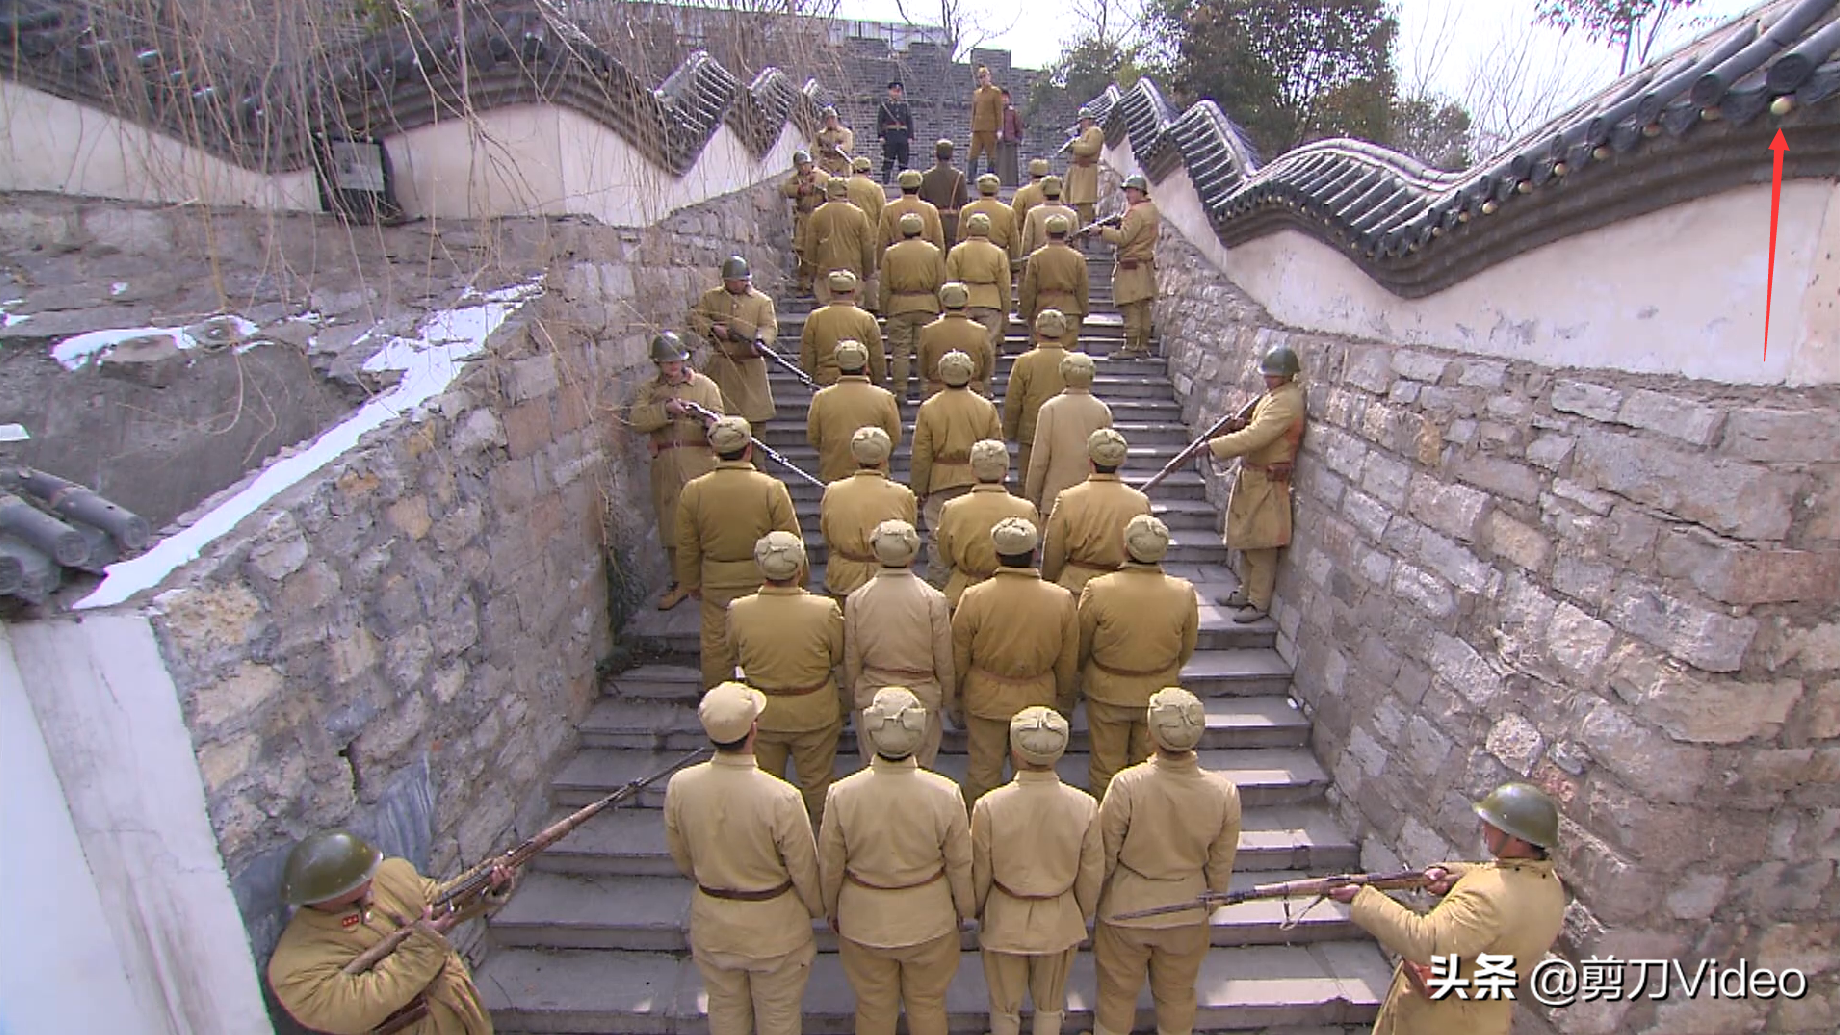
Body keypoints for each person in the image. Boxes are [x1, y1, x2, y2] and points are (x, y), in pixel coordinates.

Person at [1327, 782, 1568, 1035]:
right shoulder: (1549, 885)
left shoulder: (1487, 898)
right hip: (1486, 1012)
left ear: (1517, 838)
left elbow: (1424, 941)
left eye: (1493, 825)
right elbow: (1501, 877)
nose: (1484, 829)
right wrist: (1454, 874)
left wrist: (1362, 898)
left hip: (1443, 1019)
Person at [664, 681, 825, 1035]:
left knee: (725, 1016)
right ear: (754, 728)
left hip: (714, 920)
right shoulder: (781, 797)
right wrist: (817, 908)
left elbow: (681, 855)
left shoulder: (681, 786)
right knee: (779, 1020)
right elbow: (804, 867)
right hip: (774, 927)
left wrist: (711, 877)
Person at [819, 687, 975, 1035]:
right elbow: (960, 864)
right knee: (929, 1005)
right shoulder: (945, 793)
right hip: (930, 919)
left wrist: (832, 908)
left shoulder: (842, 794)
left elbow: (831, 864)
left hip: (864, 919)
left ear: (871, 733)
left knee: (873, 1009)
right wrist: (966, 908)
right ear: (920, 734)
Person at [1091, 688, 1241, 1035]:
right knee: (1177, 998)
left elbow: (1105, 852)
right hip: (1187, 907)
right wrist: (1209, 903)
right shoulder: (1223, 794)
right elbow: (1220, 865)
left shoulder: (1127, 785)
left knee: (1115, 996)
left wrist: (1098, 897)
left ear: (1150, 733)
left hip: (1127, 906)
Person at [267, 830, 513, 1035]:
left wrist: (483, 883)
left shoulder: (389, 876)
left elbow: (435, 901)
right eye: (361, 879)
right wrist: (423, 945)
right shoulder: (294, 969)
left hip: (460, 1010)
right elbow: (359, 1006)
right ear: (331, 893)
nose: (372, 880)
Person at [971, 707, 1103, 1035]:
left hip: (1005, 913)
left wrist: (978, 909)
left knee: (1003, 1008)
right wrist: (1079, 912)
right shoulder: (1084, 805)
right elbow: (1091, 873)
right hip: (1058, 914)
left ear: (1014, 750)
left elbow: (980, 871)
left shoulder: (989, 805)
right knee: (1050, 1006)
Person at [949, 517, 1079, 809]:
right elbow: (1068, 660)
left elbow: (958, 654)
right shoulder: (1061, 599)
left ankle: (979, 836)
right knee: (1033, 778)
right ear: (1035, 553)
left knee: (983, 774)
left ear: (997, 554)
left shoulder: (974, 598)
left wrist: (956, 692)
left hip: (985, 698)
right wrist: (1062, 696)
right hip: (1038, 697)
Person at [727, 532, 845, 827]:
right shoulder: (824, 610)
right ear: (800, 567)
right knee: (818, 787)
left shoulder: (739, 610)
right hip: (814, 709)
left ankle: (770, 848)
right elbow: (838, 654)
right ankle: (823, 850)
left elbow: (733, 651)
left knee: (766, 789)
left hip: (763, 713)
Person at [1076, 516, 1198, 798]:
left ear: (1125, 547)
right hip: (1157, 689)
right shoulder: (1183, 593)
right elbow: (1186, 647)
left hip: (1107, 689)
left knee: (1105, 768)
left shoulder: (1099, 589)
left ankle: (1107, 828)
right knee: (1148, 769)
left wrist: (1086, 672)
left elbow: (1081, 644)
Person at [676, 417, 802, 688]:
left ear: (714, 451)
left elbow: (686, 546)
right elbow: (791, 538)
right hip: (764, 579)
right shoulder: (770, 488)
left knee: (717, 649)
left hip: (716, 581)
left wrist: (690, 583)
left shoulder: (694, 492)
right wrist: (798, 580)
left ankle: (721, 708)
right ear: (748, 449)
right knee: (767, 642)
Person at [1204, 344, 1306, 624]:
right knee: (1248, 540)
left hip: (1268, 479)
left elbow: (1258, 436)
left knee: (1262, 543)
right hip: (1254, 475)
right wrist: (1239, 424)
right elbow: (1254, 427)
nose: (1267, 378)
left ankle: (1257, 601)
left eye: (1272, 374)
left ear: (1285, 375)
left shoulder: (1287, 401)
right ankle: (1245, 591)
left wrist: (1214, 446)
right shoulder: (1275, 396)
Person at [843, 519, 954, 768]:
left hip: (873, 698)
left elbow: (852, 658)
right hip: (921, 699)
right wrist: (945, 697)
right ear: (914, 552)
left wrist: (853, 697)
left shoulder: (856, 599)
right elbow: (944, 658)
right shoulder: (933, 599)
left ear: (875, 552)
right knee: (920, 777)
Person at [629, 332, 726, 611]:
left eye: (676, 362)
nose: (673, 367)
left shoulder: (705, 386)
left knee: (706, 519)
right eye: (667, 363)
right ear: (658, 364)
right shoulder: (648, 391)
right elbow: (636, 420)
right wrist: (665, 410)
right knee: (671, 525)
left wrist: (705, 419)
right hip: (667, 462)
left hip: (699, 457)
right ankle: (681, 580)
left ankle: (711, 576)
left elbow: (720, 419)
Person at [910, 351, 1002, 585]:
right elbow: (996, 446)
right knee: (978, 533)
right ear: (970, 373)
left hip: (941, 479)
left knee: (939, 536)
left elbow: (921, 453)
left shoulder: (929, 408)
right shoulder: (985, 407)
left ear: (941, 374)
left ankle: (941, 587)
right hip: (978, 477)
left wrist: (919, 487)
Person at [1040, 429, 1152, 595]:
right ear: (1121, 461)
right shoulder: (1140, 502)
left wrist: (1049, 583)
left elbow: (1053, 552)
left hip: (1075, 588)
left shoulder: (1068, 499)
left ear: (1090, 460)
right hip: (1121, 590)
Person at [688, 257, 777, 453]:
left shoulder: (762, 302)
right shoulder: (712, 298)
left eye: (739, 281)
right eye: (731, 281)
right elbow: (695, 316)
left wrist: (760, 341)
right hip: (722, 365)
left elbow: (768, 326)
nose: (735, 284)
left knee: (755, 426)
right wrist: (713, 328)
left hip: (751, 368)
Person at [935, 439, 1036, 609]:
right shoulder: (1026, 510)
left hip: (963, 592)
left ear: (972, 470)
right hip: (1014, 598)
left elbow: (945, 554)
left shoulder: (952, 508)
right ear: (1005, 471)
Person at [820, 428, 917, 599]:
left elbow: (828, 534)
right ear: (885, 456)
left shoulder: (834, 491)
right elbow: (908, 537)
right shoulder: (903, 495)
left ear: (855, 456)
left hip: (844, 576)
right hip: (888, 579)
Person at [1024, 352, 1112, 517]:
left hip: (1054, 499)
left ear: (1063, 375)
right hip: (1091, 501)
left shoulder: (1049, 409)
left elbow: (1039, 460)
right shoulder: (1102, 411)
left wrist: (1031, 496)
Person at [807, 340, 901, 483]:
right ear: (866, 366)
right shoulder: (884, 397)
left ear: (838, 366)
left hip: (834, 472)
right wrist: (874, 455)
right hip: (876, 473)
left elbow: (814, 437)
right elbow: (894, 437)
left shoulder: (821, 398)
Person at [1090, 174, 1159, 358]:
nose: (1127, 195)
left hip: (1131, 266)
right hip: (1145, 266)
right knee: (1143, 308)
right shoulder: (1151, 209)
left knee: (1131, 308)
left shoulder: (1135, 213)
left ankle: (1130, 347)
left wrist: (1102, 231)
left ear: (1139, 191)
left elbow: (1123, 238)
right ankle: (1142, 346)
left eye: (1130, 191)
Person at [880, 212, 947, 401]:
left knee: (900, 351)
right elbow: (940, 281)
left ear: (901, 230)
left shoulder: (891, 253)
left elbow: (884, 285)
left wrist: (885, 309)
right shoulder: (933, 252)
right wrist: (940, 305)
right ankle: (926, 388)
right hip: (927, 305)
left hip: (898, 305)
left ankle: (900, 390)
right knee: (925, 350)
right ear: (921, 229)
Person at [1002, 310, 1072, 481]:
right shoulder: (1072, 362)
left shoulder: (1025, 361)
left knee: (1028, 481)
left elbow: (1013, 401)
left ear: (1037, 331)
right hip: (1063, 433)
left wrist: (1008, 431)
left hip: (1030, 432)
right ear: (1063, 331)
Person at [800, 271, 886, 387]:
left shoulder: (815, 318)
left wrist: (808, 376)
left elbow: (807, 354)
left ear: (830, 291)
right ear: (854, 291)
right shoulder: (866, 319)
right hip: (860, 380)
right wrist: (878, 379)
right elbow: (877, 356)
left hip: (825, 379)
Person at [803, 177, 878, 309]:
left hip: (825, 274)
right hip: (853, 273)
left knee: (826, 313)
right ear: (845, 192)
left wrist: (812, 273)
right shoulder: (858, 214)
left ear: (828, 193)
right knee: (853, 312)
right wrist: (867, 272)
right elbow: (867, 247)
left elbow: (810, 248)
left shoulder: (817, 214)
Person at [946, 212, 1011, 359]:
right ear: (988, 229)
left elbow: (951, 282)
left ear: (968, 228)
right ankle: (985, 380)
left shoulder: (956, 252)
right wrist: (1005, 312)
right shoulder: (998, 253)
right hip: (991, 303)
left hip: (963, 302)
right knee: (988, 347)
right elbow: (1005, 287)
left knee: (963, 346)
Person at [917, 283, 994, 399]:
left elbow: (922, 366)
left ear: (942, 303)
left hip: (937, 392)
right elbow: (988, 365)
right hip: (973, 391)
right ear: (967, 303)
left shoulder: (928, 331)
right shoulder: (980, 331)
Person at [1018, 215, 1087, 344]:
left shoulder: (1036, 257)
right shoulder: (1077, 258)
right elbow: (1082, 288)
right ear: (1066, 233)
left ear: (1046, 232)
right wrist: (1084, 310)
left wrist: (1026, 311)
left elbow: (1030, 288)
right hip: (1069, 309)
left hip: (1042, 309)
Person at [780, 151, 830, 293]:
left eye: (806, 165)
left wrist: (819, 190)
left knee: (820, 248)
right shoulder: (795, 180)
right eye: (800, 166)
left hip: (819, 215)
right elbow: (785, 189)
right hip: (803, 217)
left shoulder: (823, 176)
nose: (804, 168)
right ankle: (805, 282)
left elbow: (831, 191)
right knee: (801, 249)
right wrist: (800, 190)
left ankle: (821, 282)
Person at [1065, 107, 1106, 239]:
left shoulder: (1095, 132)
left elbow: (1090, 148)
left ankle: (1089, 229)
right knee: (1074, 200)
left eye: (1084, 120)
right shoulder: (1083, 134)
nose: (1082, 123)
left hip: (1087, 170)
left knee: (1085, 202)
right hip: (1078, 170)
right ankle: (1081, 229)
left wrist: (1074, 146)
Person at [920, 139, 969, 249]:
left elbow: (922, 201)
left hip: (932, 221)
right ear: (952, 155)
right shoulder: (958, 176)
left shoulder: (926, 177)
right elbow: (964, 203)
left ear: (936, 154)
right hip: (952, 222)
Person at [962, 173, 1020, 264]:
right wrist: (1015, 265)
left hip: (972, 258)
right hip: (1000, 259)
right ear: (997, 191)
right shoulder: (1008, 211)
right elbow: (1014, 241)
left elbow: (961, 238)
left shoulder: (967, 210)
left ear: (979, 190)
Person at [1018, 176, 1078, 259]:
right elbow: (1076, 243)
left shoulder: (1033, 213)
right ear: (1060, 192)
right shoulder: (1071, 214)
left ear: (1043, 192)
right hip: (1066, 259)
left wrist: (1024, 261)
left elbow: (1027, 242)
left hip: (1039, 260)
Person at [968, 65, 1004, 182]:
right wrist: (971, 129)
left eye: (985, 76)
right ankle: (971, 177)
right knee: (973, 154)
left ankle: (990, 179)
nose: (983, 79)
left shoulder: (995, 92)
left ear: (989, 77)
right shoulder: (976, 93)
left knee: (991, 155)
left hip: (990, 128)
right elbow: (974, 111)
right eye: (980, 77)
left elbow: (999, 111)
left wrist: (999, 129)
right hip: (977, 129)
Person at [877, 81, 913, 183]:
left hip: (902, 136)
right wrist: (881, 135)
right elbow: (880, 122)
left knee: (903, 161)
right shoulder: (885, 106)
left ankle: (905, 183)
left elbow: (909, 122)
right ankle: (886, 182)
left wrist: (910, 136)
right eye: (894, 91)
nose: (897, 93)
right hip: (890, 136)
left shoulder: (905, 107)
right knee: (888, 160)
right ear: (890, 92)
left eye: (899, 91)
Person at [1010, 158, 1050, 238]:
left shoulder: (1022, 192)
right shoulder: (1057, 193)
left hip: (1028, 236)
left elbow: (1015, 220)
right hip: (1052, 236)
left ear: (1030, 173)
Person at [846, 155, 887, 234]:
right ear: (869, 171)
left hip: (848, 231)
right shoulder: (875, 188)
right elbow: (882, 213)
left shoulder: (844, 185)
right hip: (870, 232)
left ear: (853, 169)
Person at [815, 106, 855, 177]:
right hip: (825, 165)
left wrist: (838, 147)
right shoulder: (820, 135)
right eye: (828, 119)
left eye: (833, 118)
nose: (830, 121)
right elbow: (814, 149)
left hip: (841, 165)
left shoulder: (846, 133)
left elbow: (848, 147)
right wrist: (823, 149)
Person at [996, 89, 1024, 187]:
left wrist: (1018, 139)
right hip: (999, 144)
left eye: (1005, 98)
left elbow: (1018, 127)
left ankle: (1011, 185)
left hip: (1011, 143)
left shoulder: (1013, 113)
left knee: (1011, 167)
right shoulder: (996, 113)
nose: (1004, 100)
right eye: (1002, 98)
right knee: (1000, 167)